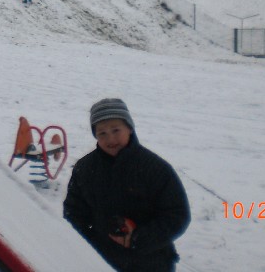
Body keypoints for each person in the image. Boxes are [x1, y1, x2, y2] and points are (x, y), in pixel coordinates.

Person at [63, 98, 190, 272]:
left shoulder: (154, 168)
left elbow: (177, 214)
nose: (110, 138)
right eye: (102, 133)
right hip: (99, 261)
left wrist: (137, 238)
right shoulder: (85, 168)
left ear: (129, 128)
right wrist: (85, 245)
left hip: (151, 263)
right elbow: (73, 212)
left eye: (116, 130)